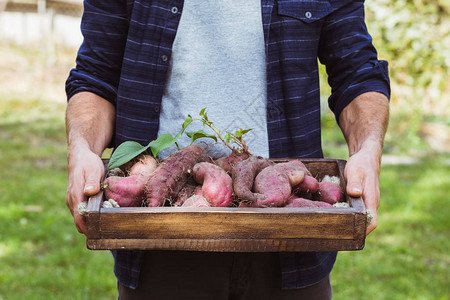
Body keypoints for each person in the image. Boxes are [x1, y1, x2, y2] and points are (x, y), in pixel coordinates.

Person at [65, 1, 390, 299]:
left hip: (292, 239)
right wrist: (83, 151)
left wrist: (367, 150)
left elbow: (357, 73)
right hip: (160, 235)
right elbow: (95, 77)